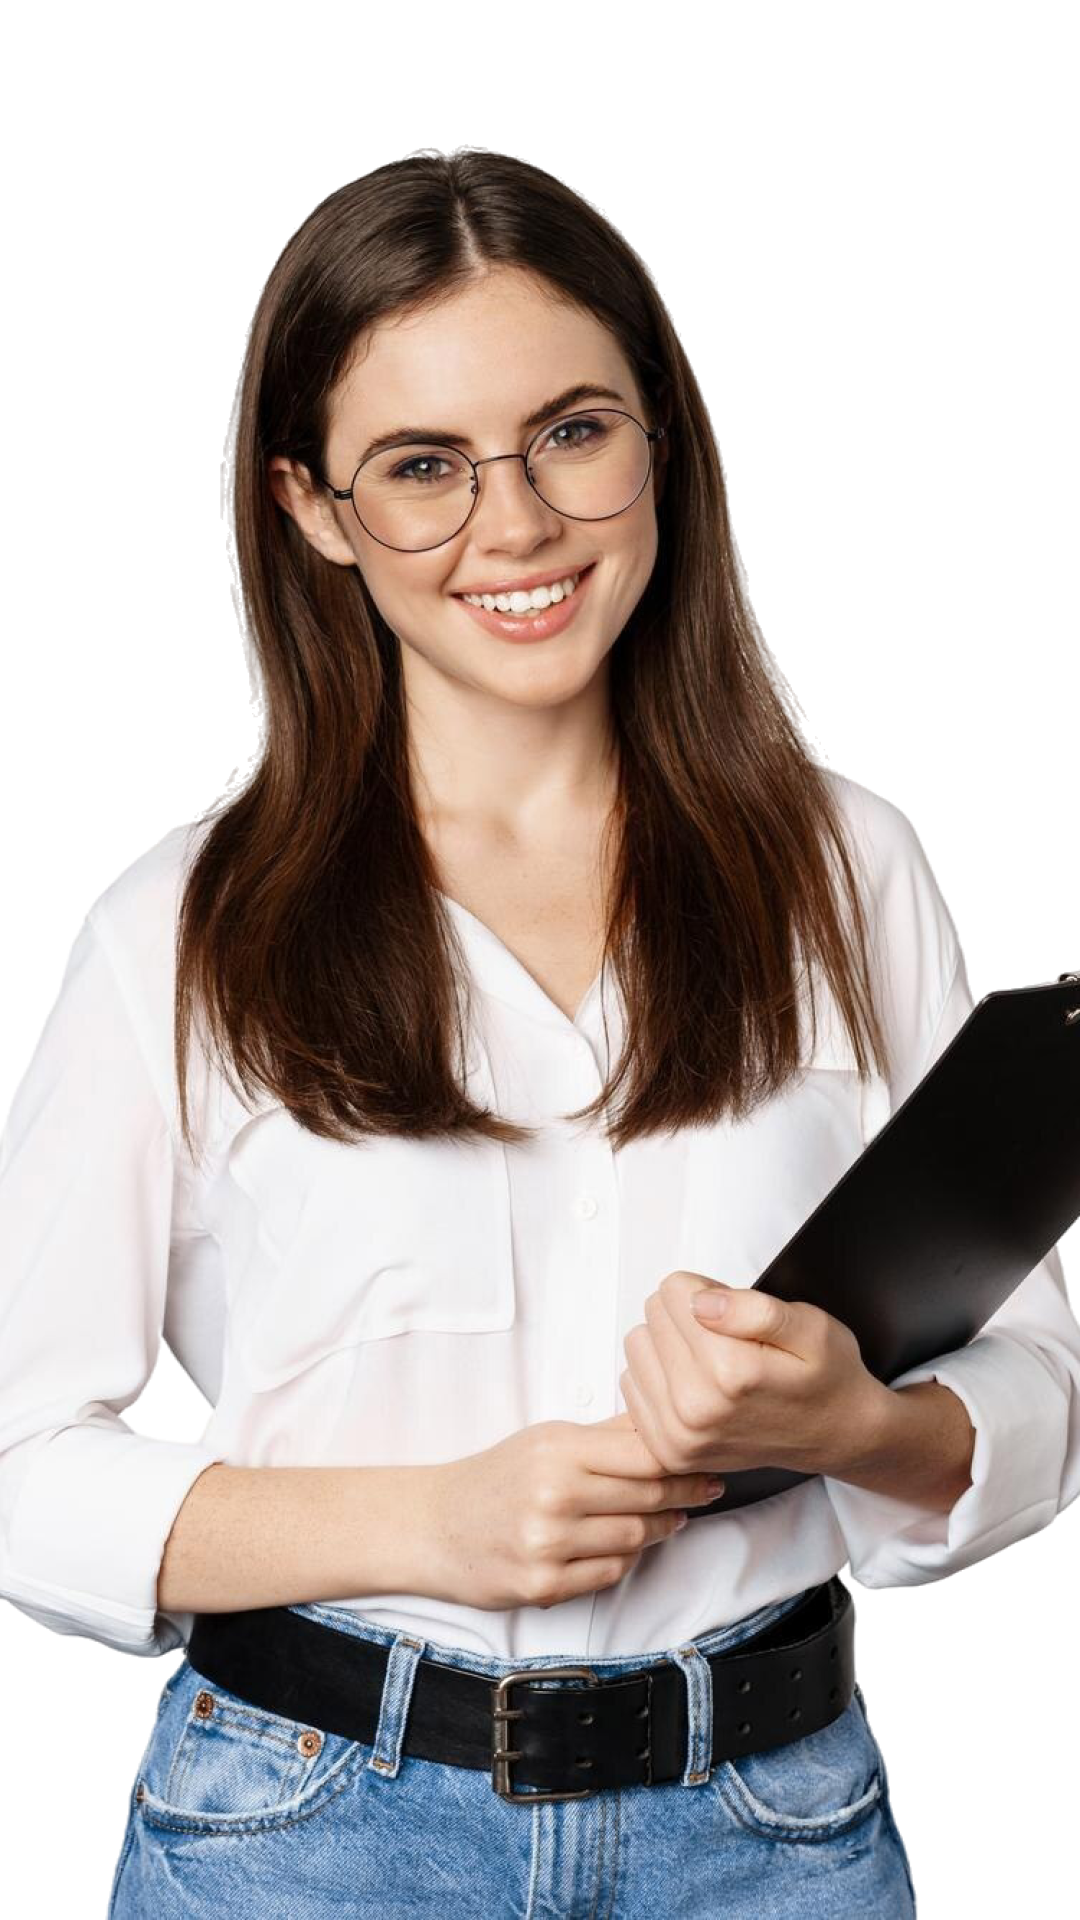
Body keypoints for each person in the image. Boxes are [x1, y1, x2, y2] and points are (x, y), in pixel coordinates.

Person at [2, 151, 1076, 1919]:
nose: (515, 527)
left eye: (571, 433)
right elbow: (19, 1474)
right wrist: (430, 1522)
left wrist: (853, 1426)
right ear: (313, 507)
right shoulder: (176, 931)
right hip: (303, 1841)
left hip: (776, 1834)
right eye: (423, 466)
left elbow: (1039, 1382)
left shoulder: (851, 866)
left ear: (661, 437)